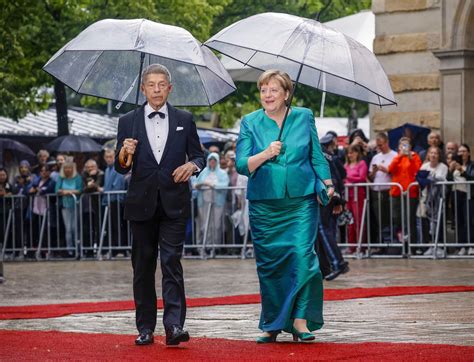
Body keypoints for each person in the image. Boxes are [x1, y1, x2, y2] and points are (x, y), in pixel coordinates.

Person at [235, 69, 333, 343]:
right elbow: (242, 164)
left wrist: (327, 182)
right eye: (263, 90)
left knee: (303, 259)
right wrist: (265, 153)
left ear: (286, 94)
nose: (267, 95)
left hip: (301, 201)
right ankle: (271, 324)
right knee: (270, 266)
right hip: (265, 206)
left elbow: (316, 154)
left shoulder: (304, 116)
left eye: (273, 90)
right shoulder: (250, 122)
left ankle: (300, 322)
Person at [115, 64, 205, 346]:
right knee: (142, 267)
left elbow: (199, 157)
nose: (156, 89)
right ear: (143, 89)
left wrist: (192, 165)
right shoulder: (127, 120)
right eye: (151, 84)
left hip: (174, 203)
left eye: (161, 84)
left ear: (169, 88)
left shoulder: (185, 119)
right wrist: (123, 152)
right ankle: (145, 327)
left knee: (171, 263)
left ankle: (174, 326)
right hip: (140, 204)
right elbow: (121, 168)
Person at [316, 132, 349, 281]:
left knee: (322, 229)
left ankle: (337, 263)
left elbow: (334, 176)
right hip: (329, 194)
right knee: (321, 231)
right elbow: (341, 175)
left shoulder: (315, 151)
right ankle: (325, 267)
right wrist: (338, 200)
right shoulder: (329, 154)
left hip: (322, 194)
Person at [192, 152, 229, 254]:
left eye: (214, 161)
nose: (212, 163)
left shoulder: (222, 173)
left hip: (217, 203)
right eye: (210, 161)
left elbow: (224, 184)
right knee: (205, 224)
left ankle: (216, 246)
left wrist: (212, 184)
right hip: (203, 201)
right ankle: (206, 246)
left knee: (216, 225)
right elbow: (194, 183)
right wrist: (201, 184)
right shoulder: (203, 172)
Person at [388, 137, 422, 244]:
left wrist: (410, 158)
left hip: (410, 191)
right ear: (399, 147)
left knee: (409, 218)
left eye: (406, 145)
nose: (404, 147)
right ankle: (399, 240)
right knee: (396, 217)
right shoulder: (396, 157)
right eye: (402, 145)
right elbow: (390, 169)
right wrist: (399, 156)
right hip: (397, 191)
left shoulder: (415, 156)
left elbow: (417, 170)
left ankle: (411, 243)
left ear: (410, 147)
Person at [416, 146, 448, 256]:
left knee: (436, 221)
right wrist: (427, 178)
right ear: (428, 155)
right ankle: (429, 244)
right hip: (425, 197)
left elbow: (439, 178)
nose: (433, 155)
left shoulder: (443, 166)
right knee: (425, 221)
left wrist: (427, 177)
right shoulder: (424, 166)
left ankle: (439, 245)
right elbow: (420, 178)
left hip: (437, 198)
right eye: (431, 153)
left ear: (439, 156)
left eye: (436, 153)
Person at [368, 132, 398, 247]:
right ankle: (383, 242)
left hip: (389, 190)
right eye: (378, 145)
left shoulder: (395, 156)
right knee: (379, 218)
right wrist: (375, 171)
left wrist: (386, 170)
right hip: (377, 190)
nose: (379, 148)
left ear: (387, 142)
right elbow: (370, 176)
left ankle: (391, 242)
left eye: (381, 145)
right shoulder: (376, 157)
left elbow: (396, 172)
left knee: (390, 217)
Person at [449, 144, 474, 256]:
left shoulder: (472, 165)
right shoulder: (454, 164)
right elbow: (448, 180)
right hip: (456, 195)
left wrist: (462, 171)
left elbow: (471, 177)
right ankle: (461, 245)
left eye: (464, 151)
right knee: (458, 221)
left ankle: (471, 245)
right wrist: (450, 170)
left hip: (468, 195)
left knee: (468, 220)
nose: (461, 154)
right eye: (459, 151)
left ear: (468, 153)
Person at [27, 164, 56, 257]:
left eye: (46, 170)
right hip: (36, 208)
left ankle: (45, 251)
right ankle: (34, 250)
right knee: (35, 230)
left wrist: (37, 190)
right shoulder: (37, 181)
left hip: (46, 209)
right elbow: (27, 190)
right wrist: (31, 190)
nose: (44, 172)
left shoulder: (52, 182)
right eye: (42, 171)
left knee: (45, 231)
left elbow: (48, 191)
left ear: (49, 172)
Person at [102, 149, 127, 255]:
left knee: (118, 225)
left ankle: (120, 248)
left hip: (116, 200)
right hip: (108, 200)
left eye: (110, 156)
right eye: (107, 157)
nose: (108, 159)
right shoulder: (107, 170)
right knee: (111, 226)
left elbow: (117, 185)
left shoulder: (118, 168)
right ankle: (114, 248)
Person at [55, 160, 82, 257]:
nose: (67, 169)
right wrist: (69, 192)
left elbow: (80, 189)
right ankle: (70, 250)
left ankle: (78, 249)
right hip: (65, 207)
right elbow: (57, 190)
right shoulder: (61, 178)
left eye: (69, 167)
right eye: (65, 168)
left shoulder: (77, 177)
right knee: (68, 229)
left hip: (76, 205)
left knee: (75, 228)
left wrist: (67, 191)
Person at [344, 144, 368, 253]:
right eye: (348, 153)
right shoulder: (346, 165)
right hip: (348, 197)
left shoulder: (362, 163)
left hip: (358, 196)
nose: (350, 155)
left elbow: (362, 178)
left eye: (352, 152)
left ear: (357, 153)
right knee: (350, 222)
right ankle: (351, 246)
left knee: (359, 221)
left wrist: (348, 178)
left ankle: (361, 246)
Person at [81, 159, 104, 256]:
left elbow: (97, 185)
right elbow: (84, 189)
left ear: (96, 166)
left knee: (99, 227)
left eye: (92, 167)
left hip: (98, 204)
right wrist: (92, 186)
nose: (90, 169)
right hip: (86, 206)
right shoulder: (83, 175)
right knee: (87, 228)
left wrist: (92, 181)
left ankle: (100, 248)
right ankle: (88, 250)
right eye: (88, 167)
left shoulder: (101, 173)